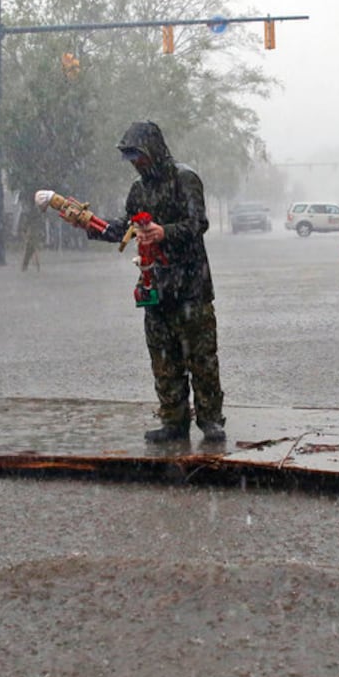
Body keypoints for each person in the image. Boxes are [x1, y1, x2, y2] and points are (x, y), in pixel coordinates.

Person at [88, 121, 226, 444]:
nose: (136, 163)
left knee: (202, 357)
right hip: (156, 287)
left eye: (139, 155)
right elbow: (126, 226)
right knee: (163, 358)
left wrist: (165, 231)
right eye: (131, 157)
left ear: (154, 150)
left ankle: (210, 420)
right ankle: (174, 420)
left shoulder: (185, 179)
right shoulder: (139, 190)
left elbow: (197, 223)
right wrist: (96, 227)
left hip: (191, 286)